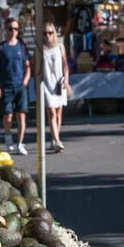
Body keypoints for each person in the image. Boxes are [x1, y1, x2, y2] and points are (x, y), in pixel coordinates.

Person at [0, 17, 31, 155]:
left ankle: (20, 143)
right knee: (8, 116)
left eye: (16, 29)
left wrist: (26, 79)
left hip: (20, 85)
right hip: (6, 85)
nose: (13, 31)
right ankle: (8, 135)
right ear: (6, 29)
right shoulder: (0, 48)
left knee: (21, 116)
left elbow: (28, 66)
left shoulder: (22, 46)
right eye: (10, 29)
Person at [42, 21, 69, 152]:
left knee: (58, 113)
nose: (47, 36)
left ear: (54, 33)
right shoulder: (41, 48)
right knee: (52, 112)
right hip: (47, 83)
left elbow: (65, 64)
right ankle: (57, 140)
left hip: (59, 81)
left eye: (50, 32)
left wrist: (66, 80)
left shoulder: (60, 47)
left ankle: (54, 139)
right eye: (45, 33)